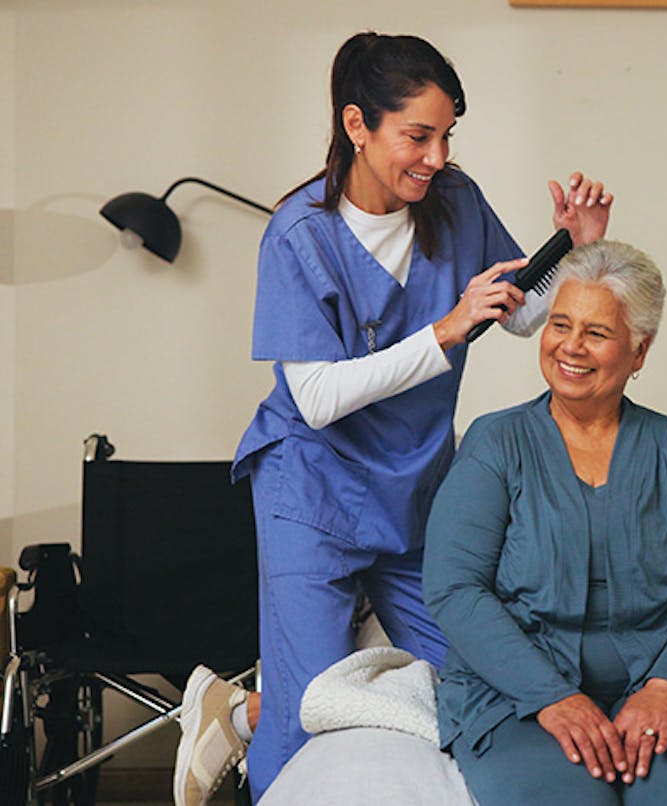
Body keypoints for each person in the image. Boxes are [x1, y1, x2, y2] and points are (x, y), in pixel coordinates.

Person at [172, 31, 613, 806]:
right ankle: (256, 720)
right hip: (311, 490)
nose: (437, 155)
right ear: (356, 126)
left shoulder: (453, 200)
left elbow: (513, 316)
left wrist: (573, 248)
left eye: (447, 135)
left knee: (474, 673)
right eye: (418, 135)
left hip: (412, 488)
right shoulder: (299, 234)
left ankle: (243, 706)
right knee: (312, 712)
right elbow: (315, 398)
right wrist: (444, 329)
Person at [423, 241, 667, 806]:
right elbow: (453, 587)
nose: (571, 346)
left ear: (639, 352)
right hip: (517, 692)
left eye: (597, 333)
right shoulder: (496, 442)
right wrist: (551, 696)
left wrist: (666, 688)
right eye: (560, 324)